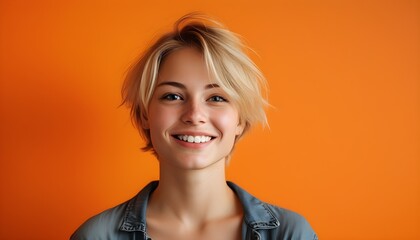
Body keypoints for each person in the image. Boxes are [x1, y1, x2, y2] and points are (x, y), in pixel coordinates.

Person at [71, 13, 318, 240]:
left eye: (217, 98)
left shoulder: (290, 233)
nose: (194, 115)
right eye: (173, 96)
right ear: (146, 113)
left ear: (240, 120)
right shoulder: (97, 236)